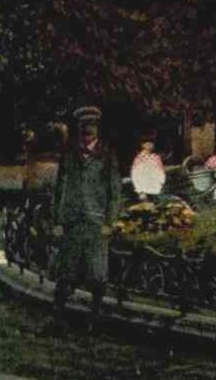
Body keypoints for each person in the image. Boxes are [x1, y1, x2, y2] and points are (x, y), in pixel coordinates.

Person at [50, 106, 121, 313]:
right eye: (83, 126)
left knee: (97, 274)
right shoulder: (69, 152)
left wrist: (110, 222)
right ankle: (58, 316)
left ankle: (95, 316)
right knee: (66, 272)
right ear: (78, 128)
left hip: (97, 222)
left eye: (91, 126)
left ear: (97, 128)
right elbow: (59, 187)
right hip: (72, 222)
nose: (87, 130)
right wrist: (57, 221)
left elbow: (114, 191)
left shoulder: (107, 154)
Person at [130, 131, 167, 198]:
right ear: (142, 145)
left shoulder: (156, 157)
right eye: (147, 143)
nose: (149, 145)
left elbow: (161, 171)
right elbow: (135, 175)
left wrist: (161, 183)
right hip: (144, 190)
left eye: (151, 143)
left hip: (156, 189)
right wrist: (140, 190)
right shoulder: (139, 159)